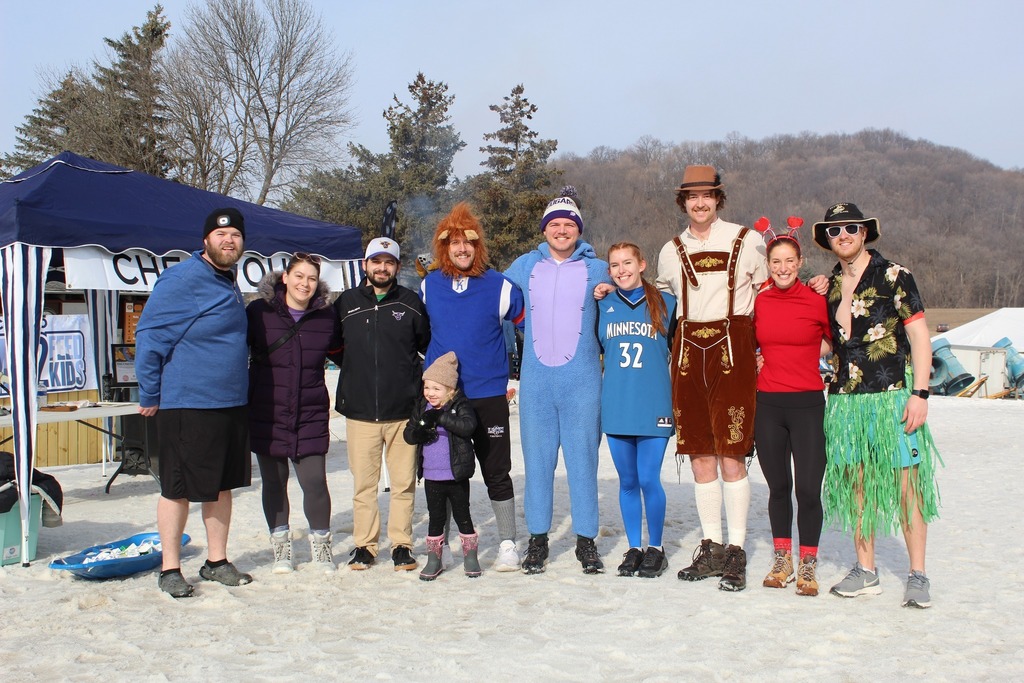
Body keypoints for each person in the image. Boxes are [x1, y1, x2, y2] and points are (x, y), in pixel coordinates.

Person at [811, 202, 941, 609]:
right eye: (834, 231)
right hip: (846, 402)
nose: (843, 235)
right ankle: (866, 570)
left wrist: (920, 394)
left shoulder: (894, 275)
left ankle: (918, 574)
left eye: (851, 227)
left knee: (907, 487)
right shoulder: (830, 284)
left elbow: (920, 336)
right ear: (827, 240)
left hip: (893, 397)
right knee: (858, 488)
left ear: (865, 232)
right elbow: (830, 343)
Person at [655, 165, 767, 591]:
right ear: (682, 202)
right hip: (687, 354)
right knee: (699, 452)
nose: (699, 204)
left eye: (707, 196)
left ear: (718, 199)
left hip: (734, 348)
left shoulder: (746, 239)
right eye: (691, 197)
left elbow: (770, 290)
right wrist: (612, 288)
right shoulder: (670, 250)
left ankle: (736, 550)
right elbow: (660, 297)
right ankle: (711, 545)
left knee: (732, 451)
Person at [135, 207, 253, 598]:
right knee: (178, 487)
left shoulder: (226, 280)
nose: (228, 241)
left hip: (229, 403)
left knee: (221, 487)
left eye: (235, 235)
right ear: (205, 240)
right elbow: (149, 336)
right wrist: (149, 392)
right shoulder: (183, 278)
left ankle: (215, 561)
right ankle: (170, 568)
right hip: (187, 403)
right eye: (221, 235)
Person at [505, 187, 612, 575]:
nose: (562, 231)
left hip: (583, 383)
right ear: (545, 230)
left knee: (583, 463)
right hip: (536, 386)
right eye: (555, 225)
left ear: (579, 230)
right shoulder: (523, 266)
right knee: (537, 464)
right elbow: (492, 299)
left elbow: (632, 295)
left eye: (569, 225)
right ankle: (538, 540)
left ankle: (586, 541)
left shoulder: (599, 269)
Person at [419, 203, 525, 571]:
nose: (462, 249)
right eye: (454, 244)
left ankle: (509, 543)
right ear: (444, 247)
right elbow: (417, 332)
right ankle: (442, 545)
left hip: (488, 393)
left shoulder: (499, 285)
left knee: (496, 470)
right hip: (444, 398)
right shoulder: (429, 284)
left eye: (468, 243)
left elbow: (531, 322)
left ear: (478, 246)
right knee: (443, 472)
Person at [334, 237, 430, 572]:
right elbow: (334, 347)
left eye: (388, 262)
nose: (382, 267)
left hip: (403, 411)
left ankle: (402, 544)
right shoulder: (346, 303)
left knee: (403, 484)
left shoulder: (412, 303)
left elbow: (425, 347)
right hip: (360, 412)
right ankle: (365, 546)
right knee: (364, 485)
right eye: (376, 261)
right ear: (365, 265)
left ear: (397, 267)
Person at [751, 217, 832, 596]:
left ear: (800, 263)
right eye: (775, 262)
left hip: (807, 405)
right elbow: (751, 340)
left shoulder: (818, 301)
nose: (782, 268)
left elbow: (834, 341)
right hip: (768, 403)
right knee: (778, 488)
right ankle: (783, 559)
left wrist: (813, 356)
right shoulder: (761, 301)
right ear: (768, 265)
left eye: (789, 261)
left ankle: (808, 564)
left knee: (809, 490)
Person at [246, 252, 341, 574]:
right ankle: (281, 549)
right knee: (274, 482)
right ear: (285, 277)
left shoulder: (327, 317)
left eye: (311, 278)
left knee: (314, 482)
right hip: (267, 408)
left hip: (310, 411)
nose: (305, 283)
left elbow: (348, 356)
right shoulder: (258, 312)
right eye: (299, 276)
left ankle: (322, 547)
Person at [597, 242, 676, 578]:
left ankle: (655, 547)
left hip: (654, 405)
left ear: (643, 264)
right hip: (617, 405)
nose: (621, 270)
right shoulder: (603, 304)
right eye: (614, 265)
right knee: (627, 480)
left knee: (648, 478)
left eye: (627, 263)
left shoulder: (667, 303)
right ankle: (633, 546)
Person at [403, 352, 481, 580]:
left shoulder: (459, 405)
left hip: (456, 475)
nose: (430, 393)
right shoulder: (421, 407)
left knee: (462, 515)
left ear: (450, 390)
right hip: (432, 476)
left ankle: (470, 556)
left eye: (436, 389)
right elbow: (409, 434)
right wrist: (419, 431)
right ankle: (434, 559)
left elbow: (468, 427)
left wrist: (441, 418)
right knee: (435, 517)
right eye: (427, 387)